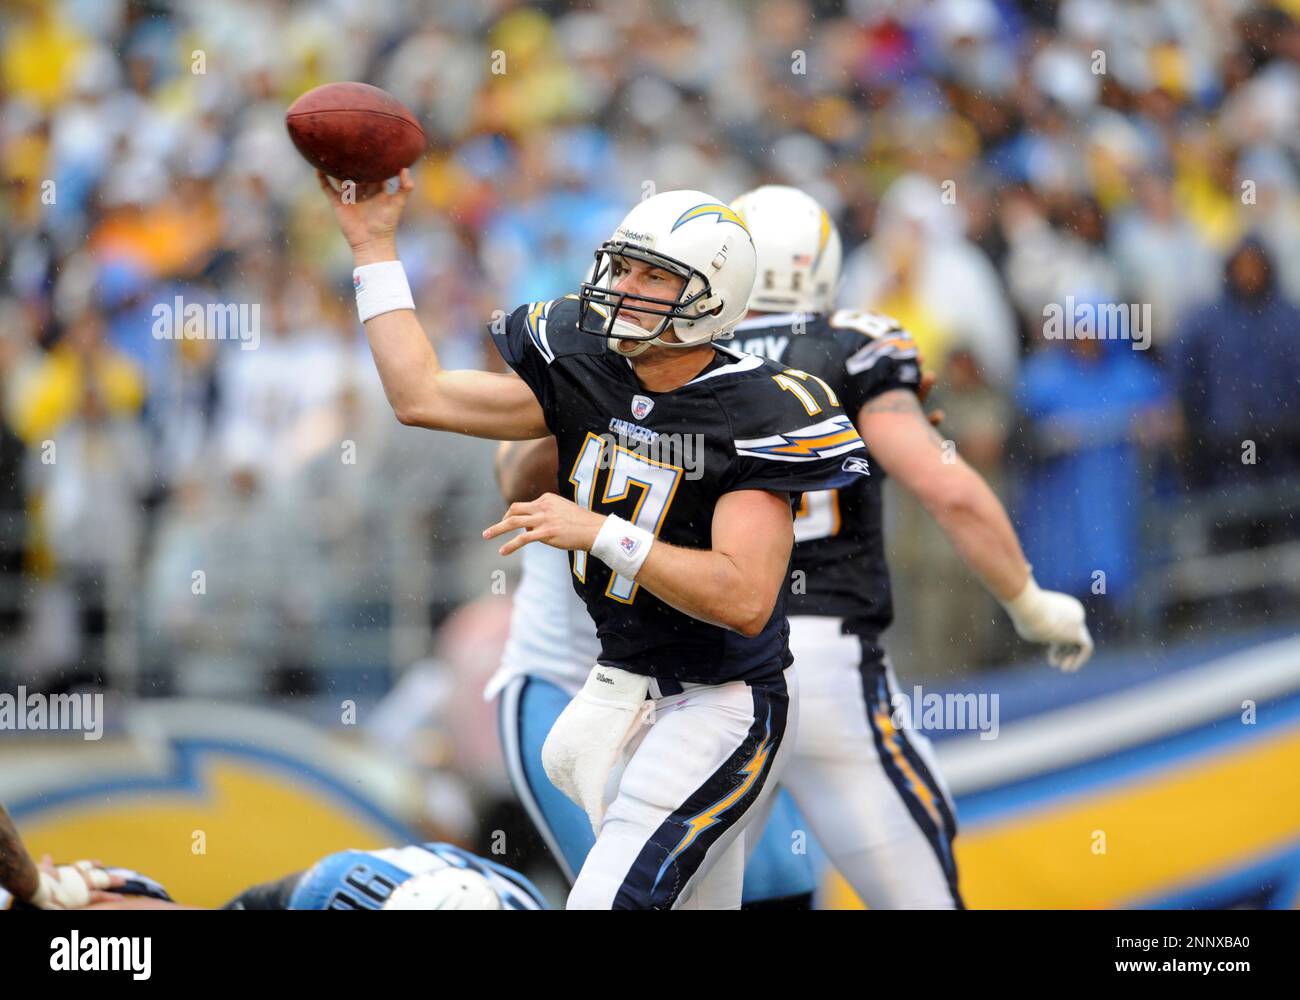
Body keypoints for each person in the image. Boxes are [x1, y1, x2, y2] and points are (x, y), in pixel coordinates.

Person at [318, 171, 869, 910]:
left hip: (719, 703)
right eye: (624, 265)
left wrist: (603, 532)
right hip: (618, 691)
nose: (624, 286)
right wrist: (373, 245)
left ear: (712, 297)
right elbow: (422, 395)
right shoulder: (588, 365)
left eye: (654, 276)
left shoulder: (754, 409)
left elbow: (743, 598)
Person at [722, 185, 1093, 908]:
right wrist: (1029, 601)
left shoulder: (677, 361)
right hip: (825, 660)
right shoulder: (853, 347)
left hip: (707, 669)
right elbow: (947, 487)